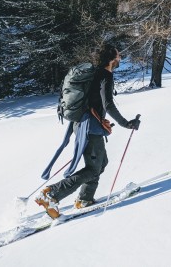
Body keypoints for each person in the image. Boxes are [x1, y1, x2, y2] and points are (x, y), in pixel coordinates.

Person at [35, 44, 141, 218]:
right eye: (118, 55)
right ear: (111, 58)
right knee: (93, 169)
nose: (120, 58)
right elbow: (108, 104)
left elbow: (97, 104)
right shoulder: (105, 75)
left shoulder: (94, 74)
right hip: (89, 127)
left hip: (87, 125)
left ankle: (85, 198)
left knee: (101, 163)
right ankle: (51, 194)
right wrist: (126, 123)